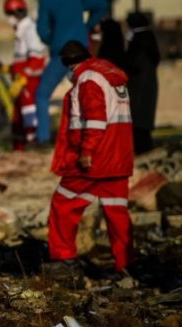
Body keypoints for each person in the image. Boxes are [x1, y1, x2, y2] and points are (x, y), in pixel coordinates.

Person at [48, 40, 134, 274]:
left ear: (68, 63)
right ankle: (125, 264)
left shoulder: (88, 80)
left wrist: (87, 152)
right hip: (118, 158)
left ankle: (64, 258)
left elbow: (95, 119)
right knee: (117, 213)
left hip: (95, 160)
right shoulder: (110, 76)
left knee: (63, 204)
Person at [35, 0, 109, 144]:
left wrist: (51, 40)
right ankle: (96, 133)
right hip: (81, 51)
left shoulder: (46, 0)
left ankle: (43, 138)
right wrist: (88, 25)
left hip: (62, 53)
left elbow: (41, 30)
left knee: (42, 95)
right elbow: (102, 5)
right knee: (86, 93)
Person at [0, 0, 47, 150]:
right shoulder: (21, 31)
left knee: (29, 115)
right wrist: (3, 68)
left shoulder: (30, 29)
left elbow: (37, 58)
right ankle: (19, 149)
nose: (8, 20)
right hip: (22, 82)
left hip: (30, 83)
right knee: (18, 118)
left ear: (15, 13)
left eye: (8, 15)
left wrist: (23, 78)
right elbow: (21, 62)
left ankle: (32, 147)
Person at [125, 12, 160, 155]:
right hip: (148, 84)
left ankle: (142, 149)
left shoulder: (139, 40)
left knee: (138, 120)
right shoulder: (149, 38)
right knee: (144, 119)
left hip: (139, 86)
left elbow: (133, 63)